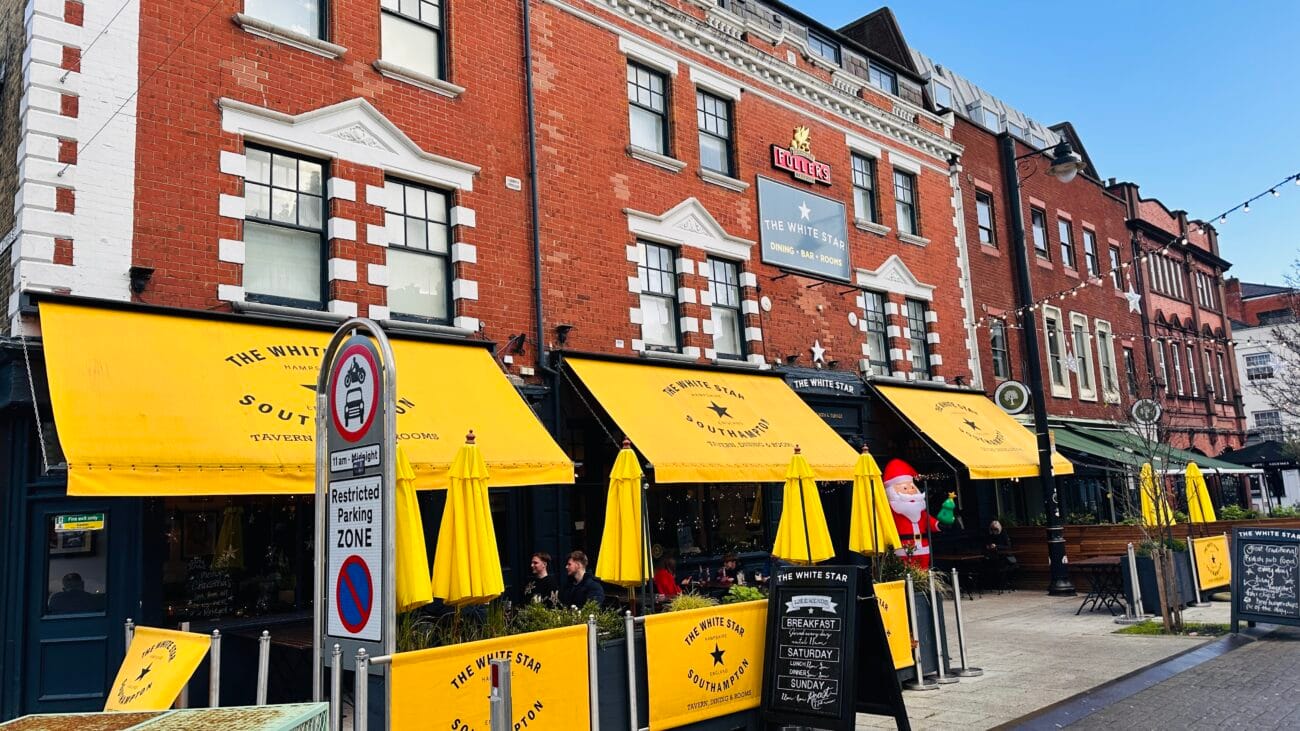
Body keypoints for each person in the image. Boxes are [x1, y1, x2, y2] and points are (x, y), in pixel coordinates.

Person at [883, 458, 954, 569]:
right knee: (907, 571)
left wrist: (939, 525)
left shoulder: (920, 509)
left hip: (924, 547)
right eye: (905, 488)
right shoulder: (893, 511)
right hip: (904, 548)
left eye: (912, 487)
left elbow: (928, 521)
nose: (911, 491)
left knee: (924, 570)